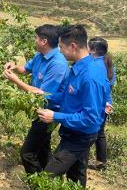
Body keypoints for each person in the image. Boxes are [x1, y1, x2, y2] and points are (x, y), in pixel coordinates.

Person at [37, 25, 109, 187]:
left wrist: (55, 116)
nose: (60, 51)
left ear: (73, 46)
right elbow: (66, 96)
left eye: (61, 47)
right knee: (76, 176)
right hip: (73, 131)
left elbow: (90, 118)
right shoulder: (78, 67)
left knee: (46, 177)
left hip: (80, 135)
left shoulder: (90, 76)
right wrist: (43, 96)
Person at [3, 24, 69, 174]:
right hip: (39, 109)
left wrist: (16, 82)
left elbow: (42, 93)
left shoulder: (57, 64)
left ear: (44, 41)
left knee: (27, 153)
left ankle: (37, 182)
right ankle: (48, 179)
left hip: (48, 113)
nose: (35, 40)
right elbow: (26, 69)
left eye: (36, 38)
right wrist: (14, 67)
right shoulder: (40, 55)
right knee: (42, 149)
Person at [88, 37, 115, 171]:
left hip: (100, 103)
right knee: (100, 133)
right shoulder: (108, 63)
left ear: (93, 50)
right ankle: (101, 162)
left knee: (91, 131)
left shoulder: (95, 64)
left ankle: (82, 158)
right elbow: (110, 85)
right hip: (106, 103)